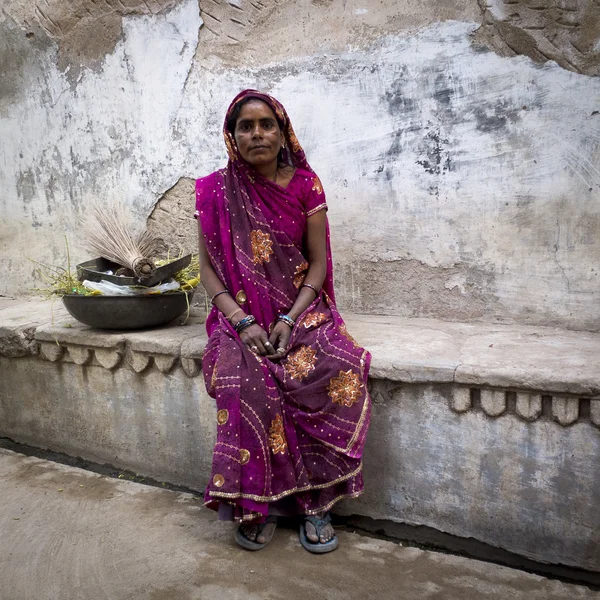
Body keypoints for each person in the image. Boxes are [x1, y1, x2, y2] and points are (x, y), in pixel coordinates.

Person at [195, 89, 371, 553]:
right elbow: (208, 270)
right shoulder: (214, 191)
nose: (257, 134)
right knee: (243, 378)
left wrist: (291, 319)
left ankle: (317, 502)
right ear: (232, 136)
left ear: (282, 130)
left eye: (266, 124)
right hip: (238, 314)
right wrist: (243, 320)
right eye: (246, 126)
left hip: (301, 310)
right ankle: (263, 503)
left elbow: (318, 264)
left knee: (334, 366)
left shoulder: (306, 186)